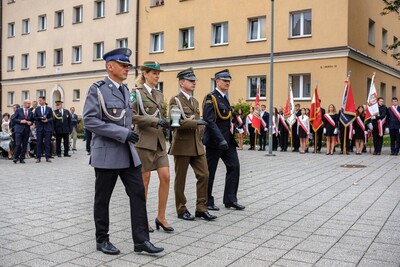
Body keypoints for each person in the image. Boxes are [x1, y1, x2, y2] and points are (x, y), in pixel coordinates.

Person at [83, 48, 163, 255]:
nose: (127, 68)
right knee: (103, 199)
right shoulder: (98, 89)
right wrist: (121, 133)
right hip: (107, 154)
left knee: (138, 194)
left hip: (128, 154)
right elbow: (90, 121)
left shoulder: (126, 90)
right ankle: (102, 240)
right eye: (123, 65)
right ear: (110, 66)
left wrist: (128, 135)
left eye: (128, 65)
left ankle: (141, 240)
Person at [168, 68, 217, 221]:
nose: (194, 82)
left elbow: (200, 123)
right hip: (182, 145)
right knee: (180, 179)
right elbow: (175, 122)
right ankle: (181, 209)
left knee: (204, 175)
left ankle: (201, 208)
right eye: (190, 80)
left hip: (196, 144)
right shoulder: (175, 100)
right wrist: (195, 123)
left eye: (194, 80)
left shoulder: (195, 101)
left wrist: (200, 129)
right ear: (182, 83)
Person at [132, 61, 173, 233]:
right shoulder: (135, 94)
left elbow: (161, 115)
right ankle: (143, 219)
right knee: (145, 181)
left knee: (166, 176)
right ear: (145, 74)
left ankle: (161, 217)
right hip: (144, 142)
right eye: (154, 73)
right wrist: (155, 121)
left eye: (158, 73)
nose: (157, 76)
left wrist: (169, 124)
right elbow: (132, 116)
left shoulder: (159, 94)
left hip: (159, 142)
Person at [202, 69, 245, 211]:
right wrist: (220, 139)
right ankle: (207, 200)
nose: (227, 83)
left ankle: (230, 199)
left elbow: (227, 116)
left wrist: (238, 124)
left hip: (227, 141)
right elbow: (209, 120)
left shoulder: (224, 98)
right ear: (217, 81)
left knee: (234, 166)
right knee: (210, 172)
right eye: (225, 80)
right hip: (215, 142)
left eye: (229, 81)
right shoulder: (211, 98)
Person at [12, 99, 34, 163]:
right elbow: (14, 119)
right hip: (19, 130)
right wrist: (20, 121)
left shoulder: (30, 112)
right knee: (18, 144)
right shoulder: (19, 110)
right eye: (28, 103)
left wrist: (31, 123)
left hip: (26, 130)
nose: (29, 105)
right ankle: (15, 157)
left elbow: (32, 121)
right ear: (24, 104)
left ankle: (22, 158)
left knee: (25, 145)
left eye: (30, 103)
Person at [33, 96, 53, 163]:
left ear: (44, 100)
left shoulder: (49, 109)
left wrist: (47, 120)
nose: (39, 102)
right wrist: (39, 118)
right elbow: (34, 117)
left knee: (47, 143)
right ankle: (38, 157)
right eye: (39, 100)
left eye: (41, 100)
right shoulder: (37, 109)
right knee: (39, 143)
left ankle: (47, 157)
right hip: (40, 127)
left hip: (47, 128)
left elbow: (52, 118)